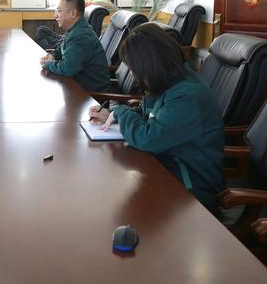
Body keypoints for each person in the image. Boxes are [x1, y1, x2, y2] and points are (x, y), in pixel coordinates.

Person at [89, 23, 225, 215]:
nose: (134, 75)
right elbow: (146, 115)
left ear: (150, 64)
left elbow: (149, 138)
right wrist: (112, 115)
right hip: (166, 168)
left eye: (135, 68)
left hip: (191, 188)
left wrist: (121, 113)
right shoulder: (166, 83)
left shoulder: (186, 96)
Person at [40, 0, 110, 92]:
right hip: (78, 88)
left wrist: (48, 64)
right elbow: (61, 48)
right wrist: (53, 56)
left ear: (73, 13)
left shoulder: (80, 36)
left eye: (59, 11)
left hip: (92, 97)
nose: (55, 15)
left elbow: (68, 68)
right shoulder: (75, 29)